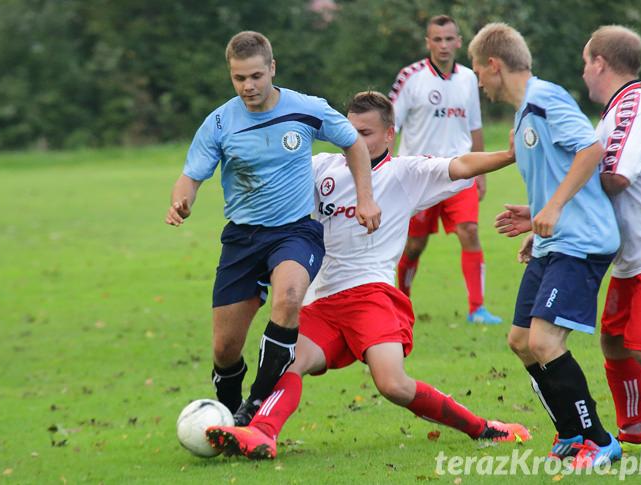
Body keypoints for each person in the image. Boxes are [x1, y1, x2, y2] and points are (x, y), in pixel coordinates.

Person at [205, 91, 530, 459]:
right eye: (348, 131)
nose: (353, 141)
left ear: (390, 134)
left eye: (365, 133)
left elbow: (461, 165)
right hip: (322, 300)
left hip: (370, 295)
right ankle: (261, 433)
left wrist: (508, 155)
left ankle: (483, 428)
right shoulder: (322, 167)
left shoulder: (404, 173)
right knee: (287, 364)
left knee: (393, 385)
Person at [165, 31, 381, 426]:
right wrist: (183, 201)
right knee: (225, 348)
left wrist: (365, 198)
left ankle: (258, 403)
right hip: (242, 238)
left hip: (295, 232)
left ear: (272, 69)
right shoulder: (218, 122)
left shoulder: (306, 108)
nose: (248, 86)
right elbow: (191, 176)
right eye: (239, 78)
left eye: (256, 76)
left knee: (290, 296)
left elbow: (354, 144)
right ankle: (231, 415)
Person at [469, 23, 621, 468]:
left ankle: (600, 440)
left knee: (544, 341)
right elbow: (556, 173)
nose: (478, 81)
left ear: (494, 65)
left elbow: (589, 150)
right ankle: (571, 433)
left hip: (583, 242)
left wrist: (551, 208)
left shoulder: (544, 98)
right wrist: (536, 221)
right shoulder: (524, 114)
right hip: (554, 243)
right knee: (520, 340)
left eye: (478, 70)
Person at [496, 26, 641, 450]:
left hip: (637, 249)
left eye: (585, 63)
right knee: (614, 342)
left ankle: (601, 441)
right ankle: (628, 429)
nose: (582, 73)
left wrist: (559, 208)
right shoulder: (612, 113)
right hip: (626, 254)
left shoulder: (634, 106)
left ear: (600, 62)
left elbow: (614, 175)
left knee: (637, 345)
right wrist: (544, 214)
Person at [388, 15, 501, 324]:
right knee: (414, 244)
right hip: (419, 175)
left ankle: (477, 309)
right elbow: (389, 126)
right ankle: (402, 303)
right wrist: (383, 168)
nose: (443, 45)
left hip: (460, 171)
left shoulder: (468, 77)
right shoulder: (410, 77)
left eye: (449, 39)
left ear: (459, 42)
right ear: (428, 43)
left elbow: (475, 128)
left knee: (470, 232)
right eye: (437, 39)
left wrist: (481, 173)